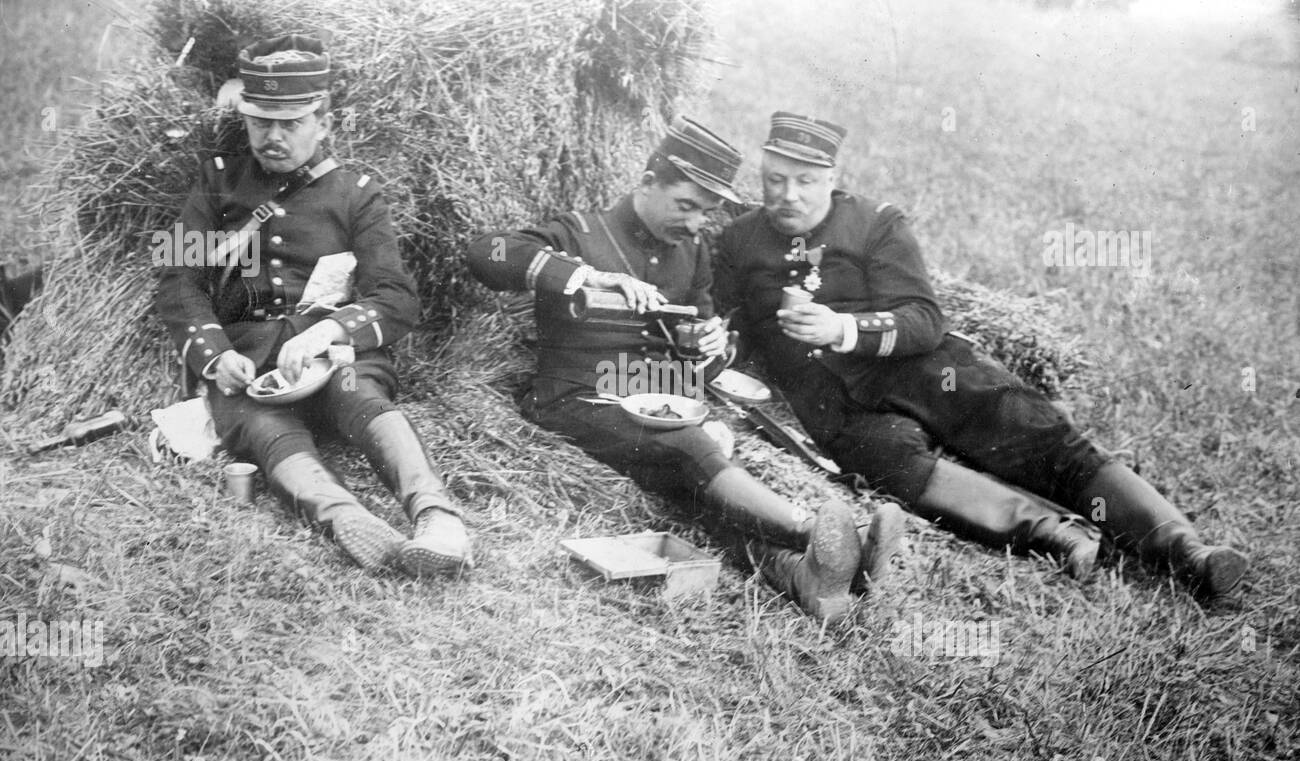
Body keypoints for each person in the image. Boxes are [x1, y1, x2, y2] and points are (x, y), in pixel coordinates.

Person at [715, 111, 1247, 598]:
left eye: (805, 181)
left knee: (1032, 431)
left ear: (832, 177)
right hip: (833, 400)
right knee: (893, 467)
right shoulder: (740, 240)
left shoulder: (876, 223)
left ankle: (1185, 550)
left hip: (921, 367)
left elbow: (923, 318)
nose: (788, 196)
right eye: (775, 180)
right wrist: (722, 340)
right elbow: (723, 316)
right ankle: (1056, 533)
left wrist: (843, 328)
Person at [466, 117, 904, 622]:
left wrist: (712, 346)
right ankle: (820, 535)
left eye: (706, 212)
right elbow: (486, 252)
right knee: (692, 448)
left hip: (657, 405)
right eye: (686, 205)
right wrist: (586, 276)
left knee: (697, 484)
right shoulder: (580, 232)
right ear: (648, 183)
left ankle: (803, 576)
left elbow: (700, 352)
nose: (696, 225)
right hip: (575, 400)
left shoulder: (690, 254)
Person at [155, 34, 470, 576]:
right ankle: (346, 520)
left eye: (291, 123)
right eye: (260, 122)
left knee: (360, 394)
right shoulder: (217, 181)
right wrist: (215, 356)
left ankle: (437, 518)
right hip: (249, 362)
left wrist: (329, 332)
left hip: (333, 355)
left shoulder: (357, 193)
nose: (272, 137)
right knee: (262, 428)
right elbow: (176, 280)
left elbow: (396, 297)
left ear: (324, 124)